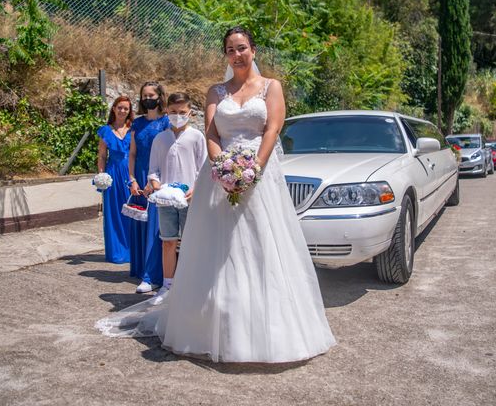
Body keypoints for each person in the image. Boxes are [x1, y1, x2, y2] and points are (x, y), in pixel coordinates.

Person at [96, 27, 335, 364]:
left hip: (259, 173)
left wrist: (253, 170)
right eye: (230, 50)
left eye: (242, 48)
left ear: (253, 49)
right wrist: (223, 167)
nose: (237, 55)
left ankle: (267, 326)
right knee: (214, 248)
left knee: (260, 245)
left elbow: (272, 128)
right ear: (225, 55)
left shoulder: (271, 87)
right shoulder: (215, 91)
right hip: (218, 174)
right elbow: (211, 132)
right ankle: (210, 323)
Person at [146, 92, 207, 304]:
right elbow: (153, 169)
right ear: (167, 112)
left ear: (190, 113)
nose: (177, 116)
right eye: (173, 112)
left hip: (190, 199)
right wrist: (155, 184)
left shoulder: (197, 137)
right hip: (166, 199)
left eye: (182, 112)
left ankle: (192, 283)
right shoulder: (160, 138)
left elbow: (204, 168)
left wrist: (196, 188)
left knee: (191, 241)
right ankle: (167, 285)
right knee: (168, 242)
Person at [128, 81, 170, 294]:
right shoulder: (137, 123)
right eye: (144, 95)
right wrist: (132, 179)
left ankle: (153, 276)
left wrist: (153, 181)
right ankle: (141, 269)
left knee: (155, 226)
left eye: (151, 95)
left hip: (158, 178)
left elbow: (169, 153)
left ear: (159, 96)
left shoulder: (166, 122)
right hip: (140, 176)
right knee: (140, 224)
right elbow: (132, 154)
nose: (147, 98)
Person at [97, 96, 133, 264]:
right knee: (114, 212)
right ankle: (117, 252)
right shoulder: (105, 130)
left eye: (126, 108)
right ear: (114, 109)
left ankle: (133, 251)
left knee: (132, 210)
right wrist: (102, 174)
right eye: (120, 107)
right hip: (113, 172)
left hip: (130, 172)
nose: (122, 111)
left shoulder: (134, 128)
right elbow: (102, 156)